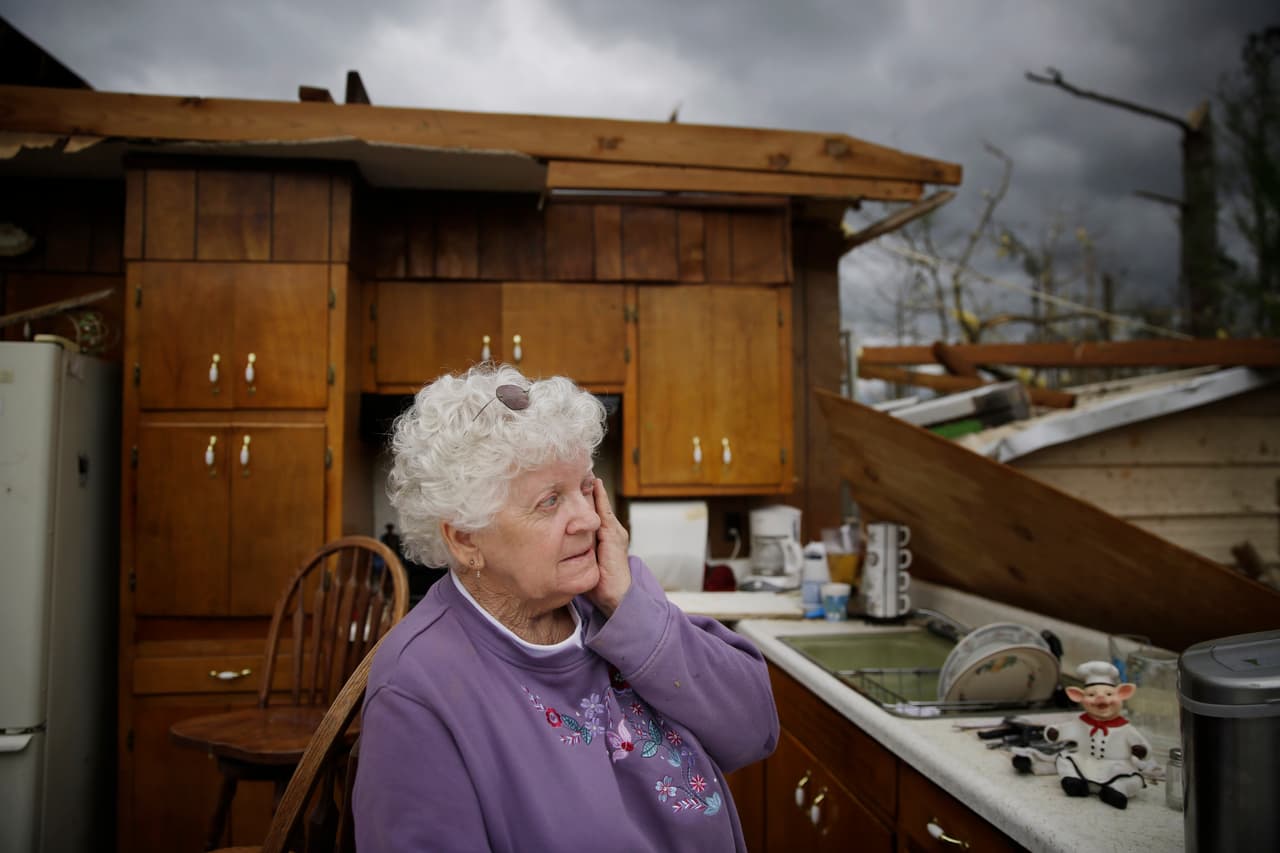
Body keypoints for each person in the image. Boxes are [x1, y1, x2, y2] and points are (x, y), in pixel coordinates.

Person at [354, 364, 779, 852]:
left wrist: (629, 609)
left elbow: (755, 732)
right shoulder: (418, 687)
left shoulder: (618, 597)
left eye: (585, 488)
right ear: (466, 538)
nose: (589, 519)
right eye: (550, 501)